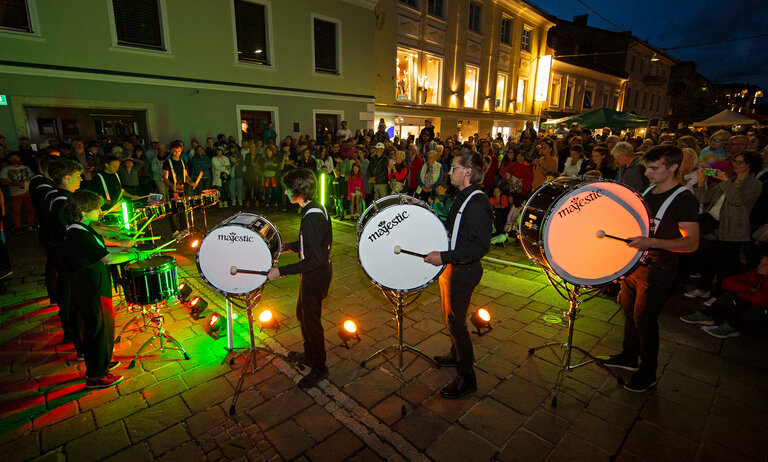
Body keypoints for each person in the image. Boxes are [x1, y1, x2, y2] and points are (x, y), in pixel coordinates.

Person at [601, 145, 700, 392]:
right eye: (647, 167)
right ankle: (628, 356)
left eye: (654, 168)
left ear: (674, 167)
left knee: (645, 319)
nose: (648, 172)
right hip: (634, 264)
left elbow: (691, 243)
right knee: (628, 311)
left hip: (659, 267)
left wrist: (652, 242)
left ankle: (648, 372)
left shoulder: (684, 199)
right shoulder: (648, 191)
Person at [63, 190, 150, 388]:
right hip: (91, 288)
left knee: (100, 328)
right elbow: (108, 259)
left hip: (93, 285)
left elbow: (102, 250)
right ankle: (96, 375)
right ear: (84, 211)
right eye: (97, 208)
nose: (100, 211)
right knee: (99, 329)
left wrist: (127, 249)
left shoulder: (82, 228)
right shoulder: (78, 234)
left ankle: (100, 360)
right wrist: (135, 256)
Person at [424, 150, 493, 399]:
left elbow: (479, 246)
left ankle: (467, 378)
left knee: (457, 323)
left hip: (463, 270)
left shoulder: (477, 203)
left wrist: (444, 257)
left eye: (453, 168)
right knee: (449, 317)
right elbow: (459, 233)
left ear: (467, 172)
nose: (449, 171)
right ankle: (455, 355)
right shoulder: (462, 196)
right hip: (454, 267)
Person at [267, 168, 332, 389]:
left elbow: (314, 259)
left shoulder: (311, 217)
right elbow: (312, 244)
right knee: (302, 314)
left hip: (316, 274)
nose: (285, 192)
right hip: (317, 272)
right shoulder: (314, 208)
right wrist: (286, 248)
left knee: (311, 320)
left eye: (288, 188)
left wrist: (280, 271)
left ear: (299, 191)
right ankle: (310, 354)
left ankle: (320, 366)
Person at [0, 152, 36, 232]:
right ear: (9, 159)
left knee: (30, 208)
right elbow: (2, 182)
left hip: (27, 191)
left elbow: (32, 177)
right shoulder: (5, 170)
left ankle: (31, 224)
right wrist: (14, 184)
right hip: (15, 193)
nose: (15, 160)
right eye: (13, 158)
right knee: (16, 211)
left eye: (16, 158)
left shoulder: (26, 168)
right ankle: (17, 226)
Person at [163, 141, 192, 236]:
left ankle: (183, 228)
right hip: (173, 189)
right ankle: (174, 231)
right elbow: (165, 177)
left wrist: (191, 182)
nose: (177, 153)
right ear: (171, 151)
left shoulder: (183, 162)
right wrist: (172, 186)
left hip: (183, 188)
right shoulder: (167, 162)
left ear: (181, 151)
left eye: (179, 151)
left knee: (183, 208)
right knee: (173, 210)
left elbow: (186, 176)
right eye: (175, 151)